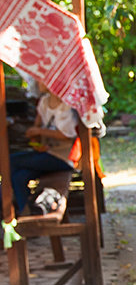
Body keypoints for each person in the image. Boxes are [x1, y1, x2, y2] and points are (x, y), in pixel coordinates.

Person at [8, 85, 81, 214]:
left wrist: (40, 131)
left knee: (10, 161)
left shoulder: (66, 104)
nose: (37, 82)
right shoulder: (44, 102)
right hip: (45, 155)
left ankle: (13, 207)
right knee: (19, 177)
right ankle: (27, 212)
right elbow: (35, 130)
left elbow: (67, 135)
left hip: (63, 158)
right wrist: (35, 140)